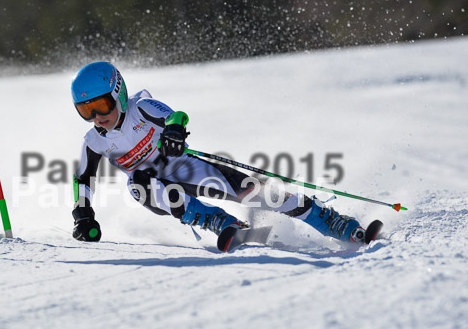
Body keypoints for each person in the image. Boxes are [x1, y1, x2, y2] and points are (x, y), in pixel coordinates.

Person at [70, 61, 369, 251]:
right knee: (137, 182)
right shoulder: (94, 141)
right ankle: (219, 222)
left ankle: (331, 222)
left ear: (118, 93)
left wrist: (174, 134)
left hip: (184, 166)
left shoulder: (141, 108)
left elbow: (175, 116)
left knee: (258, 194)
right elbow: (82, 179)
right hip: (155, 190)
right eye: (86, 111)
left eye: (102, 106)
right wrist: (83, 215)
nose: (97, 117)